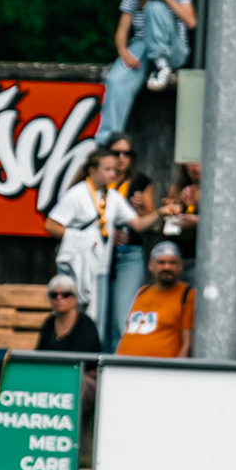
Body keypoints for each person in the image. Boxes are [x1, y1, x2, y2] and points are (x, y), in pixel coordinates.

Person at [98, 0, 196, 136]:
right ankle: (108, 141)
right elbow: (122, 30)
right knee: (116, 79)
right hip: (143, 46)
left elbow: (191, 21)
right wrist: (122, 51)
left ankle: (161, 64)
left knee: (154, 7)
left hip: (172, 48)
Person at [45, 145, 152, 321]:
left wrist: (161, 213)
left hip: (99, 266)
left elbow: (138, 224)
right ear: (92, 170)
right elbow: (51, 225)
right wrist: (80, 240)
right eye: (108, 169)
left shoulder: (112, 196)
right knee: (70, 317)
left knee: (97, 321)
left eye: (114, 170)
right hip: (74, 264)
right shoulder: (76, 194)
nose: (113, 174)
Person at [98, 132, 158, 350]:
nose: (122, 158)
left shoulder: (140, 181)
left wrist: (141, 208)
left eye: (127, 153)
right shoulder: (99, 180)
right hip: (101, 251)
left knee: (121, 317)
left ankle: (117, 363)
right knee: (99, 316)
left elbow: (150, 222)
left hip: (128, 252)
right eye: (116, 153)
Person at [116, 242, 194, 359]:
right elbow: (128, 330)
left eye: (172, 263)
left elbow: (187, 342)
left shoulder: (187, 294)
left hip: (158, 370)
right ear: (151, 265)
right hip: (124, 365)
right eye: (161, 262)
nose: (166, 267)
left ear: (180, 266)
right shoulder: (142, 291)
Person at [35, 273, 101, 353]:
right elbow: (39, 353)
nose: (59, 298)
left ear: (75, 298)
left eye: (65, 294)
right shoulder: (49, 322)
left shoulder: (86, 324)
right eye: (54, 295)